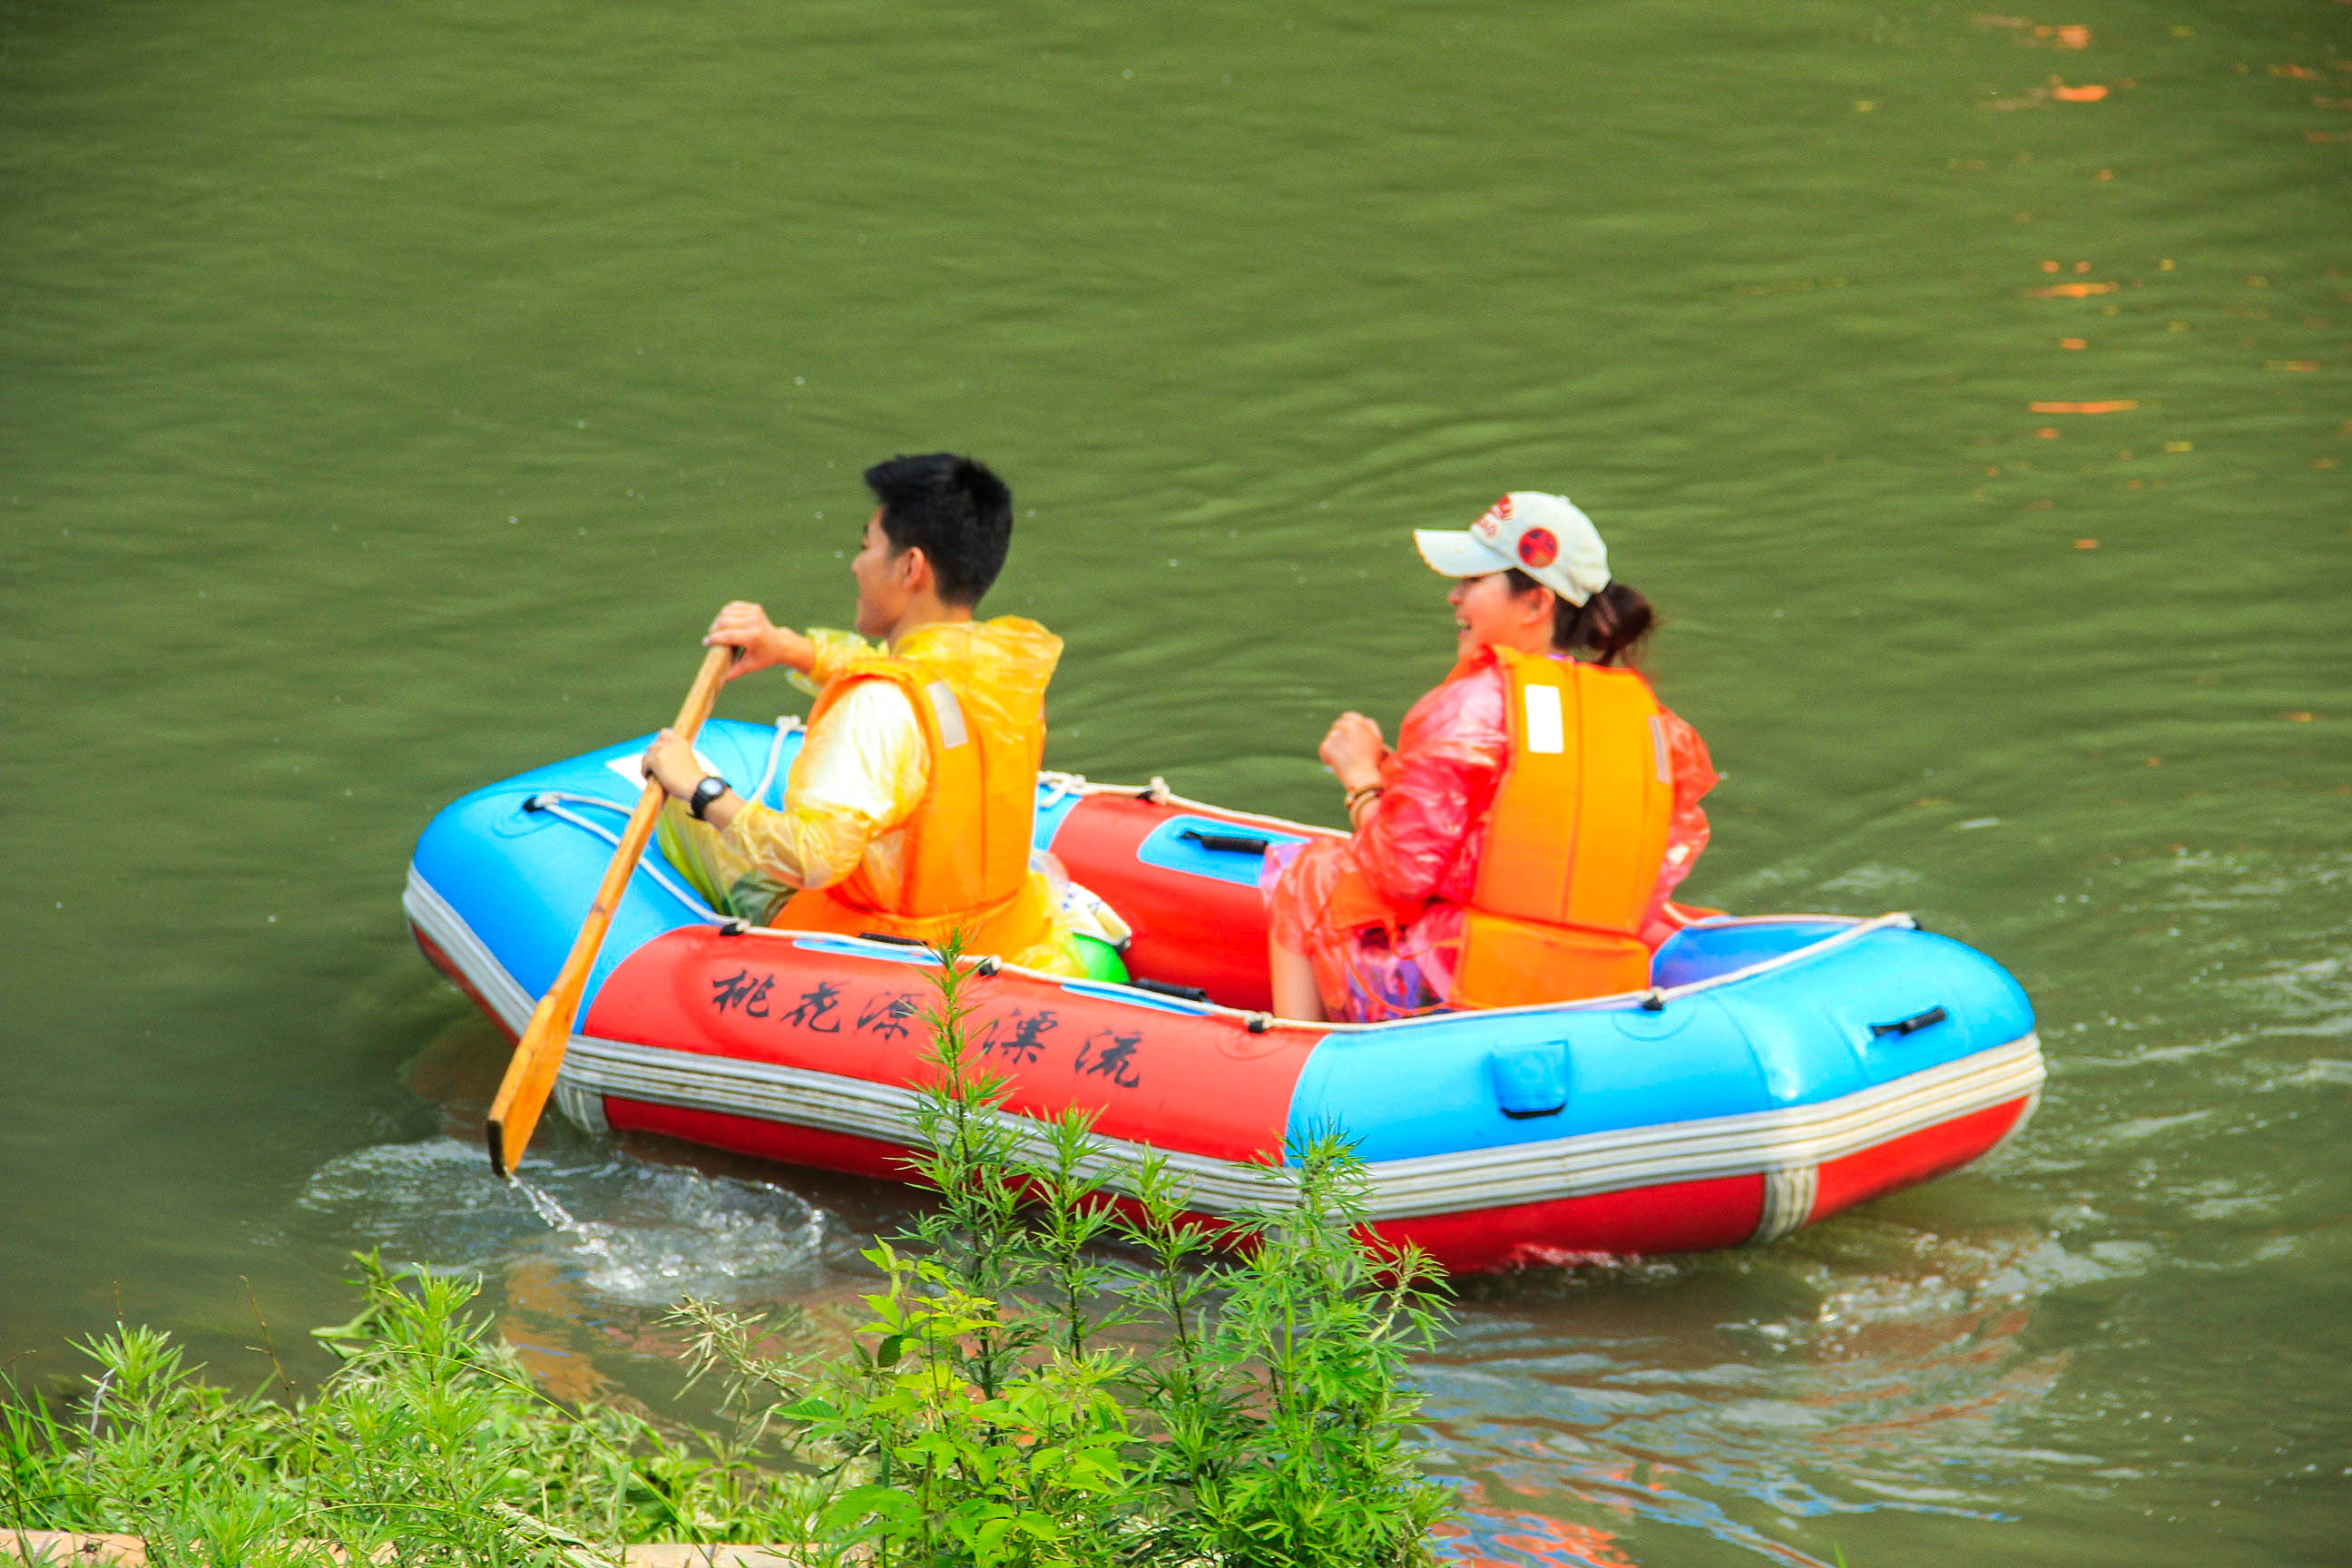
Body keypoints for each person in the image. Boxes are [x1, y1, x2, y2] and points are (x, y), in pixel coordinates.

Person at [641, 453, 1125, 978]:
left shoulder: (875, 705)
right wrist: (790, 648)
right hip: (1002, 934)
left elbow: (813, 859)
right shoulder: (1004, 664)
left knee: (679, 807)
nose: (856, 564)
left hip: (892, 956)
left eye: (867, 546)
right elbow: (915, 686)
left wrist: (700, 789)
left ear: (911, 567)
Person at [1265, 492, 1717, 1023]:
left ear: (1535, 603)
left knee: (1307, 870)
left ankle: (1293, 1056)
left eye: (1474, 580)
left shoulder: (1468, 708)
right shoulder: (1659, 729)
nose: (1454, 597)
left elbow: (1402, 876)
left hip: (1467, 990)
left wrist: (1362, 778)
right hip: (1599, 994)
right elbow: (1641, 862)